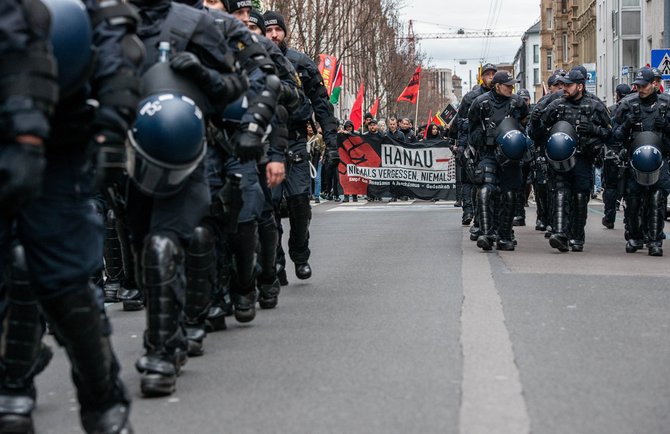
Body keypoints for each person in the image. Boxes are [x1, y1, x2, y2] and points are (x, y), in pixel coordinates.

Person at [0, 0, 142, 431]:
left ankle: (104, 407)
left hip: (57, 138)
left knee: (65, 283)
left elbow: (116, 45)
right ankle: (12, 387)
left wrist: (111, 128)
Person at [127, 0, 250, 396]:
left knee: (164, 244)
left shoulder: (194, 22)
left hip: (183, 155)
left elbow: (234, 86)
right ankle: (173, 334)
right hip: (124, 156)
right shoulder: (108, 20)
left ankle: (161, 353)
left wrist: (203, 77)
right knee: (143, 254)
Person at [264, 10, 339, 283]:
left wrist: (332, 144)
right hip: (266, 140)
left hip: (295, 140)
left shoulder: (301, 63)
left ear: (285, 32)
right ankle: (276, 262)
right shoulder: (254, 60)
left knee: (299, 203)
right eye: (269, 31)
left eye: (278, 30)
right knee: (269, 208)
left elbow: (322, 105)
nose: (273, 35)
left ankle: (299, 253)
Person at [541, 68, 611, 252]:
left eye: (569, 85)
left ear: (580, 86)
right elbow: (540, 128)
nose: (564, 88)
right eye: (563, 84)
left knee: (580, 198)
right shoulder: (556, 105)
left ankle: (577, 237)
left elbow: (610, 133)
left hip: (583, 158)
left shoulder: (595, 105)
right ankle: (560, 234)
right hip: (561, 159)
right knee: (561, 194)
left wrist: (594, 130)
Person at [612, 67, 670, 256]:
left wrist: (667, 127)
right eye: (638, 85)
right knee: (634, 200)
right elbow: (615, 135)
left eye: (644, 85)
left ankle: (654, 241)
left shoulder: (666, 104)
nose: (641, 89)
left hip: (660, 160)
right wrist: (628, 124)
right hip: (634, 161)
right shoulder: (628, 104)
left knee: (656, 200)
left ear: (654, 84)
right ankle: (635, 236)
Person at [468, 71, 529, 251]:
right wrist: (486, 137)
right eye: (508, 85)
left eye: (513, 85)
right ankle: (487, 234)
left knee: (509, 194)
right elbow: (471, 129)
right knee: (486, 190)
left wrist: (519, 137)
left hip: (511, 156)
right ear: (497, 85)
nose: (511, 88)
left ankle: (504, 234)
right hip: (489, 153)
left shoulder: (517, 103)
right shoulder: (481, 103)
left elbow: (526, 121)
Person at [457, 63, 497, 228]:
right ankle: (468, 211)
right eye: (488, 74)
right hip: (473, 145)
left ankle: (486, 220)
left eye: (494, 74)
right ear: (482, 77)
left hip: (493, 147)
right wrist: (461, 145)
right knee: (470, 179)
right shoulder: (471, 98)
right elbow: (461, 122)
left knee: (487, 184)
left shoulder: (503, 97)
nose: (491, 77)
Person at [601, 83, 631, 229]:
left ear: (617, 94)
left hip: (612, 153)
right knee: (630, 189)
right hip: (630, 152)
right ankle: (629, 219)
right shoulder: (634, 107)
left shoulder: (612, 110)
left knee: (611, 187)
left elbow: (608, 132)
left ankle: (609, 217)